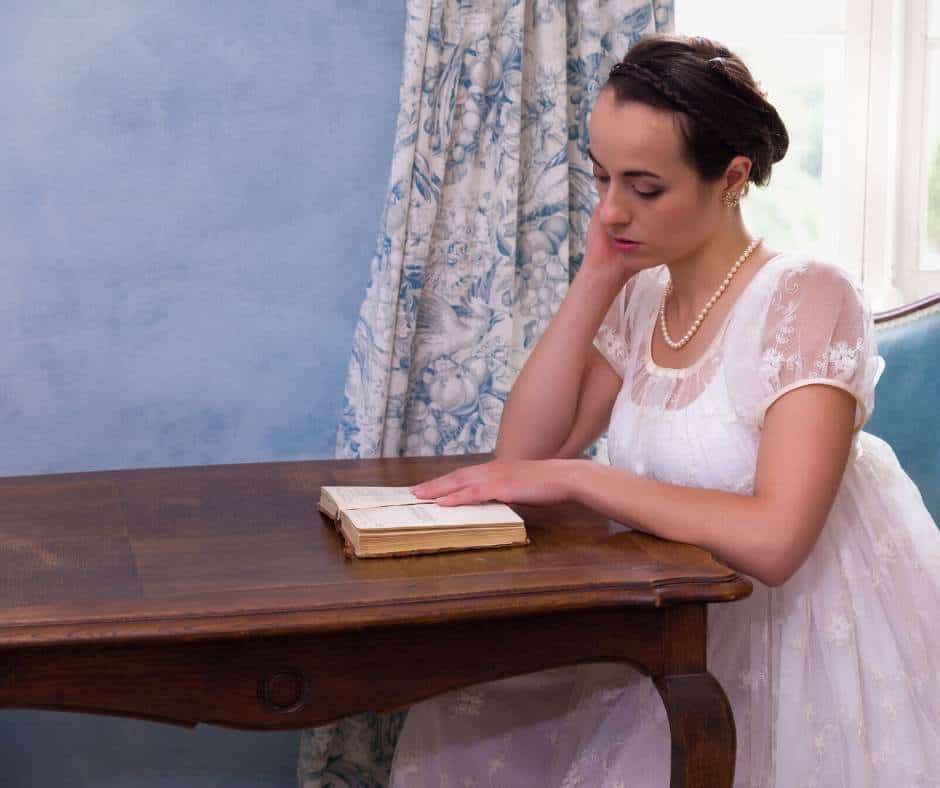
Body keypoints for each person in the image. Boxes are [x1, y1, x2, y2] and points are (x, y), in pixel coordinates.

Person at [387, 33, 940, 787]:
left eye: (644, 188)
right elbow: (523, 452)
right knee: (458, 709)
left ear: (733, 177)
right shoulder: (645, 292)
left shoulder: (808, 297)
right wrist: (595, 277)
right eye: (602, 178)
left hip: (795, 634)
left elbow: (778, 543)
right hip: (670, 615)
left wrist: (585, 482)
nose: (613, 209)